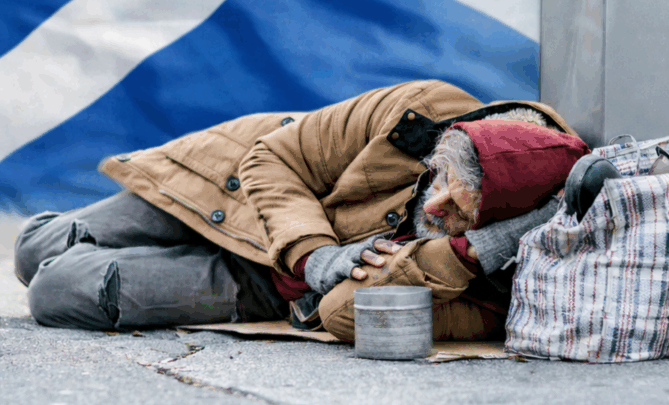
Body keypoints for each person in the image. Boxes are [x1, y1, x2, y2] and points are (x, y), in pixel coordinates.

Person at [14, 80, 588, 342]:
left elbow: (345, 314)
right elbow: (274, 157)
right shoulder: (423, 110)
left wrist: (470, 251)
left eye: (461, 212)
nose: (434, 204)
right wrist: (317, 256)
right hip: (234, 187)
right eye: (439, 179)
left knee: (55, 289)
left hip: (263, 282)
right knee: (34, 248)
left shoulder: (498, 284)